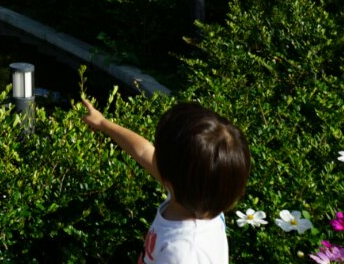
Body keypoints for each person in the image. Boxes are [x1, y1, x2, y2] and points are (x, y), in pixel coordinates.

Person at [81, 97, 251, 264]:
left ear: (168, 177)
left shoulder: (183, 252)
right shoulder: (199, 195)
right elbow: (143, 151)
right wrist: (103, 123)